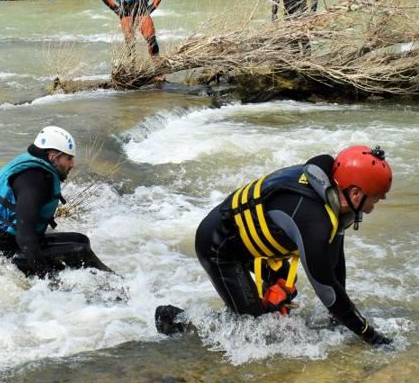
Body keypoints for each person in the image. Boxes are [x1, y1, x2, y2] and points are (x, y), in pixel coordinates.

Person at [155, 146, 394, 347]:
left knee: (281, 306)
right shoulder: (313, 219)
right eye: (375, 197)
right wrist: (370, 336)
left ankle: (249, 307)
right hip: (220, 247)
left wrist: (339, 319)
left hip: (251, 244)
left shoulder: (332, 194)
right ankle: (176, 320)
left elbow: (334, 262)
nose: (377, 202)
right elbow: (326, 288)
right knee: (254, 331)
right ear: (354, 193)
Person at [0, 126, 111, 278]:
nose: (72, 164)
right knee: (79, 251)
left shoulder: (34, 169)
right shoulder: (35, 181)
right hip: (3, 253)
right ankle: (117, 289)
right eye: (69, 158)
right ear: (53, 157)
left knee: (81, 240)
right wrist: (47, 279)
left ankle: (109, 284)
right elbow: (25, 237)